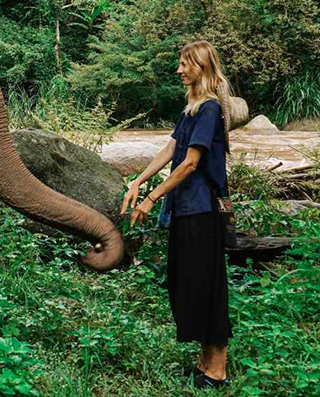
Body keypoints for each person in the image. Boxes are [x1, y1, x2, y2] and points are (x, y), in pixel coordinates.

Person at [120, 40, 234, 389]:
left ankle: (218, 371)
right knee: (190, 285)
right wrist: (137, 181)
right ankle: (204, 364)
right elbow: (171, 148)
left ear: (202, 67)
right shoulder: (191, 109)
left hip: (202, 211)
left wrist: (152, 198)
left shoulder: (210, 109)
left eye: (185, 64)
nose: (179, 70)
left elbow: (190, 163)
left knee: (207, 286)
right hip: (187, 210)